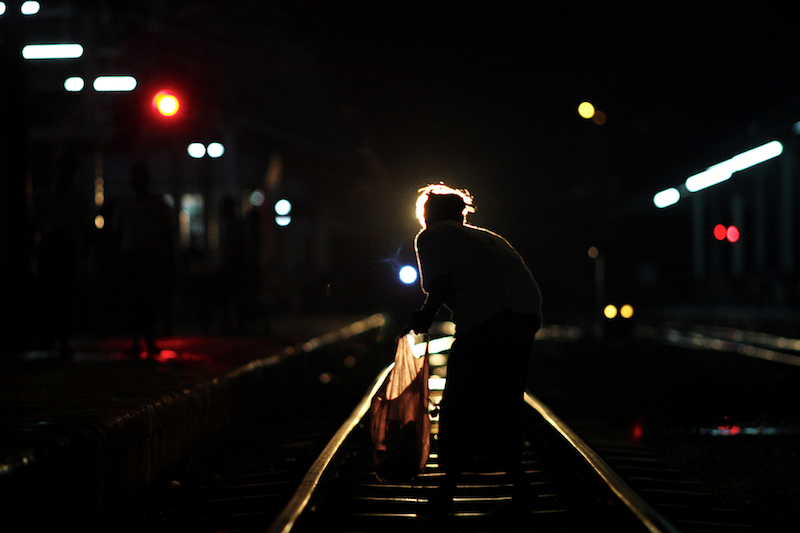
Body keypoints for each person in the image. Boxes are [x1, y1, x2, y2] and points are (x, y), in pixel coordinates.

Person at [405, 183, 542, 514]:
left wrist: (423, 317)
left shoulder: (431, 236)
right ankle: (520, 485)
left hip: (489, 318)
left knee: (459, 403)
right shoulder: (487, 238)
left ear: (429, 215)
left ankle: (447, 489)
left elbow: (441, 284)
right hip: (526, 316)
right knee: (506, 400)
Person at [115, 164, 176, 359]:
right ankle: (137, 338)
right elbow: (117, 231)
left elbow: (167, 232)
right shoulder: (127, 203)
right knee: (135, 298)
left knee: (149, 298)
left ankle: (147, 337)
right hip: (134, 254)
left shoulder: (156, 203)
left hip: (149, 254)